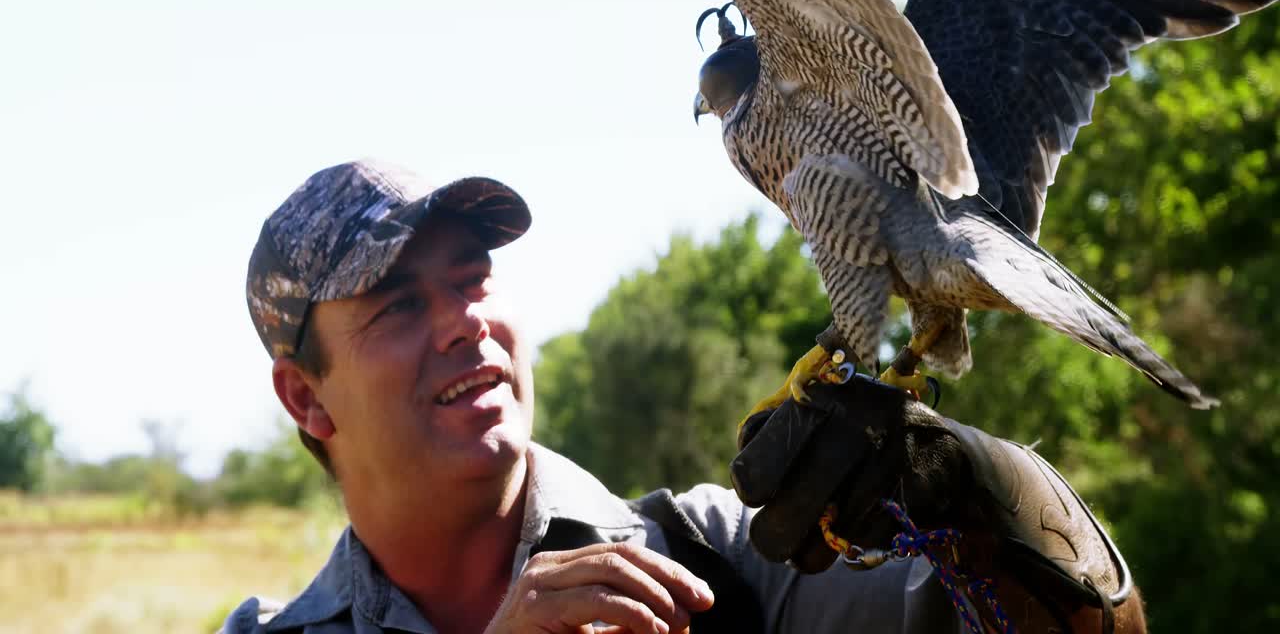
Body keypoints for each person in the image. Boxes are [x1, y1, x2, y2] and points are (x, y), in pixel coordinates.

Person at [223, 160, 1146, 634]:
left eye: (472, 279)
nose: (463, 321)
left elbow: (1104, 627)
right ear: (306, 399)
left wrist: (980, 493)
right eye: (397, 305)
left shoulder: (737, 571)